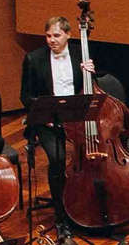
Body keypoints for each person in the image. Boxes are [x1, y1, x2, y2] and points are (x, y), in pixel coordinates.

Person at [21, 11, 95, 212]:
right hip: (49, 122)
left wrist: (89, 74)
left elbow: (92, 89)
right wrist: (44, 116)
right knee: (57, 159)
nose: (51, 40)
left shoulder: (81, 54)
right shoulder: (33, 59)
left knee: (91, 157)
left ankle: (86, 200)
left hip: (78, 119)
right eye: (48, 36)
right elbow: (26, 96)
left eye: (56, 35)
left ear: (69, 34)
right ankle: (61, 210)